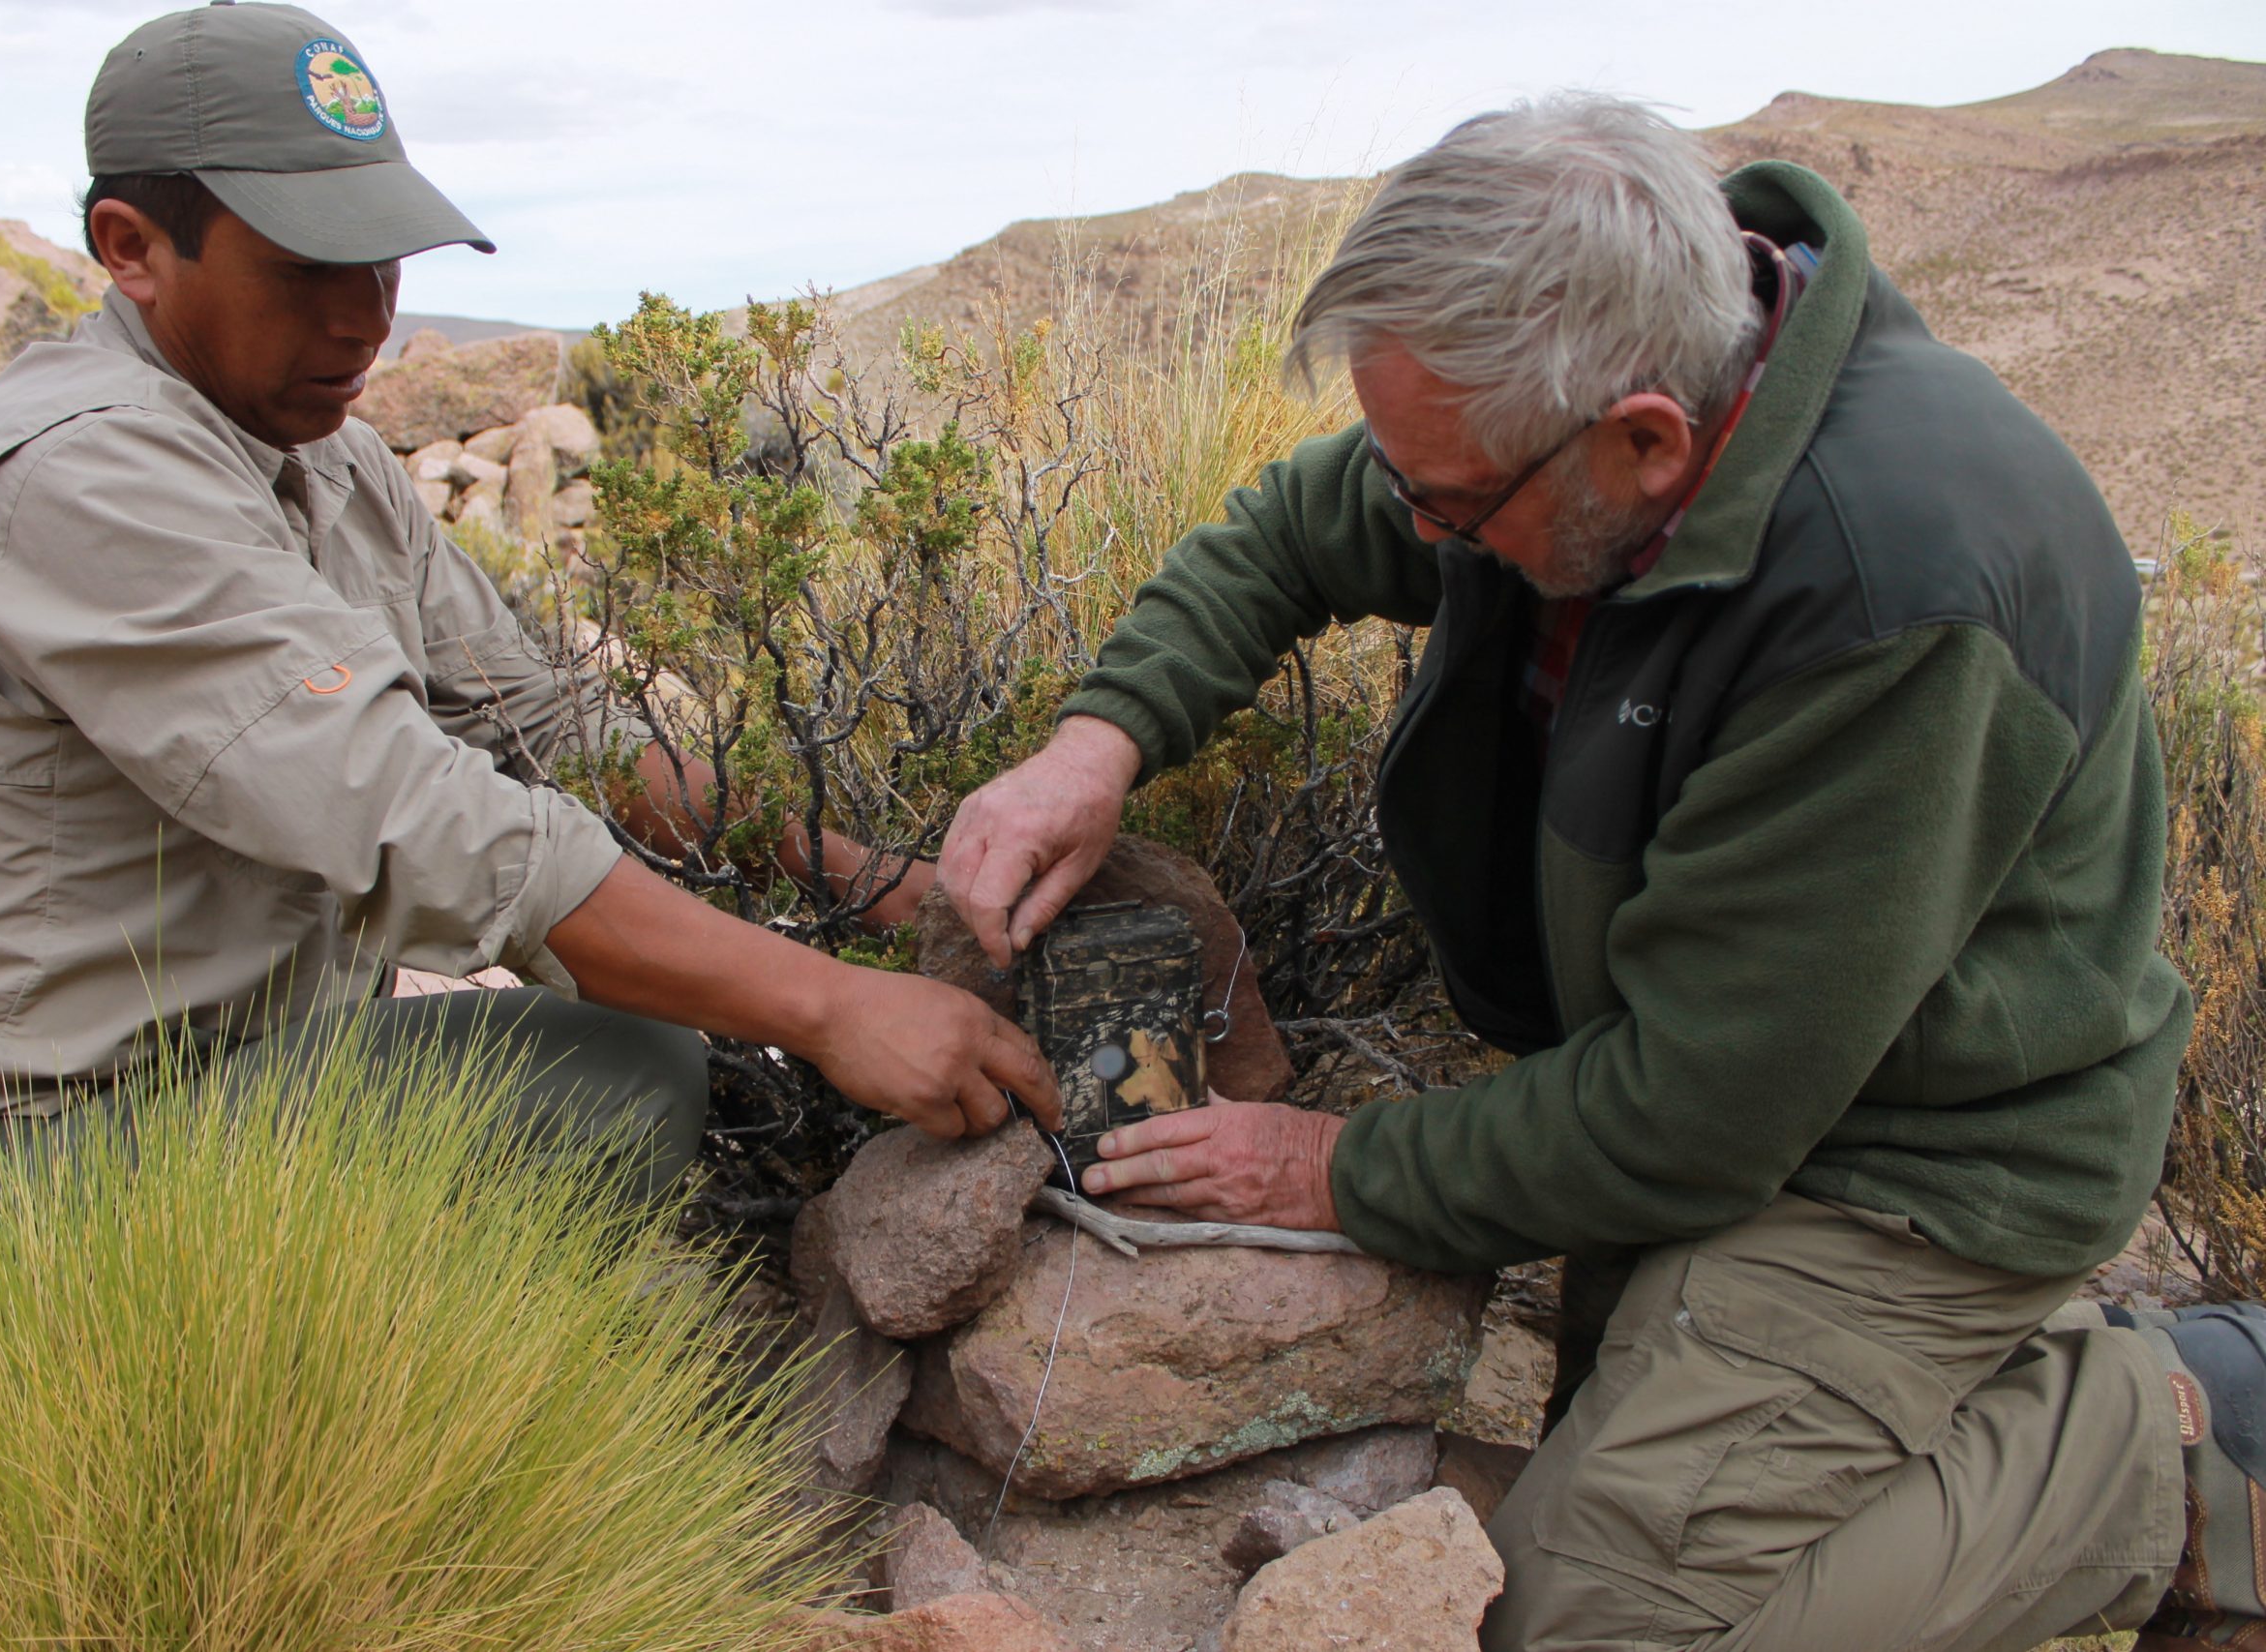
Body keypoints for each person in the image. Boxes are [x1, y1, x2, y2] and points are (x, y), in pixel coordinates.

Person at [940, 93, 2247, 1652]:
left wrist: (1331, 1167)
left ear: (1644, 441)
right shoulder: (1535, 430)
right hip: (1715, 1077)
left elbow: (1692, 1113)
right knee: (1590, 1480)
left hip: (1917, 1168)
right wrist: (1097, 738)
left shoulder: (1893, 593)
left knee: (1586, 1618)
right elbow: (1292, 529)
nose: (1414, 526)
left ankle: (2161, 1450)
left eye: (1448, 508)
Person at [0, 0, 1057, 1226]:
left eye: (380, 257)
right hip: (56, 1138)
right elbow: (417, 815)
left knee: (634, 1028)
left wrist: (873, 883)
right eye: (306, 267)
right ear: (131, 246)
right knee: (615, 1078)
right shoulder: (83, 474)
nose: (363, 316)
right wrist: (832, 1006)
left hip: (240, 1070)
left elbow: (546, 725)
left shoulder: (330, 458)